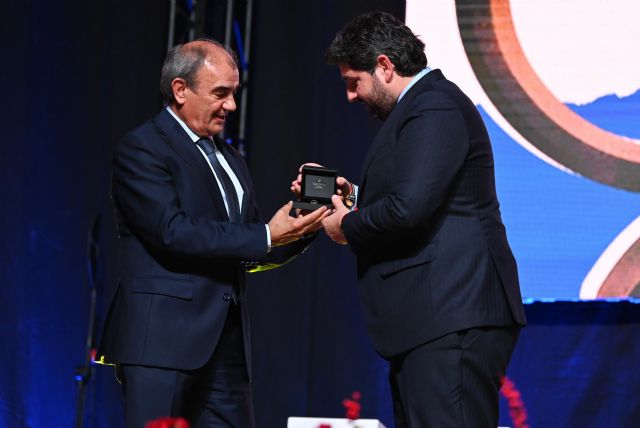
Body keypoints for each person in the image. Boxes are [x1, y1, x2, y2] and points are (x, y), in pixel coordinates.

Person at [296, 11, 527, 427]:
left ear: (384, 66)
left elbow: (408, 209)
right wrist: (354, 199)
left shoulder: (434, 105)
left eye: (355, 82)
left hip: (452, 315)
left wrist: (345, 226)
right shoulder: (421, 108)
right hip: (435, 321)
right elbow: (420, 196)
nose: (350, 96)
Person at [98, 39, 328, 428]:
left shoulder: (230, 157)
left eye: (234, 93)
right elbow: (171, 232)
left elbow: (251, 242)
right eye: (220, 93)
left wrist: (304, 223)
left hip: (226, 348)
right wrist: (267, 235)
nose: (232, 106)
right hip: (162, 345)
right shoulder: (142, 148)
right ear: (180, 90)